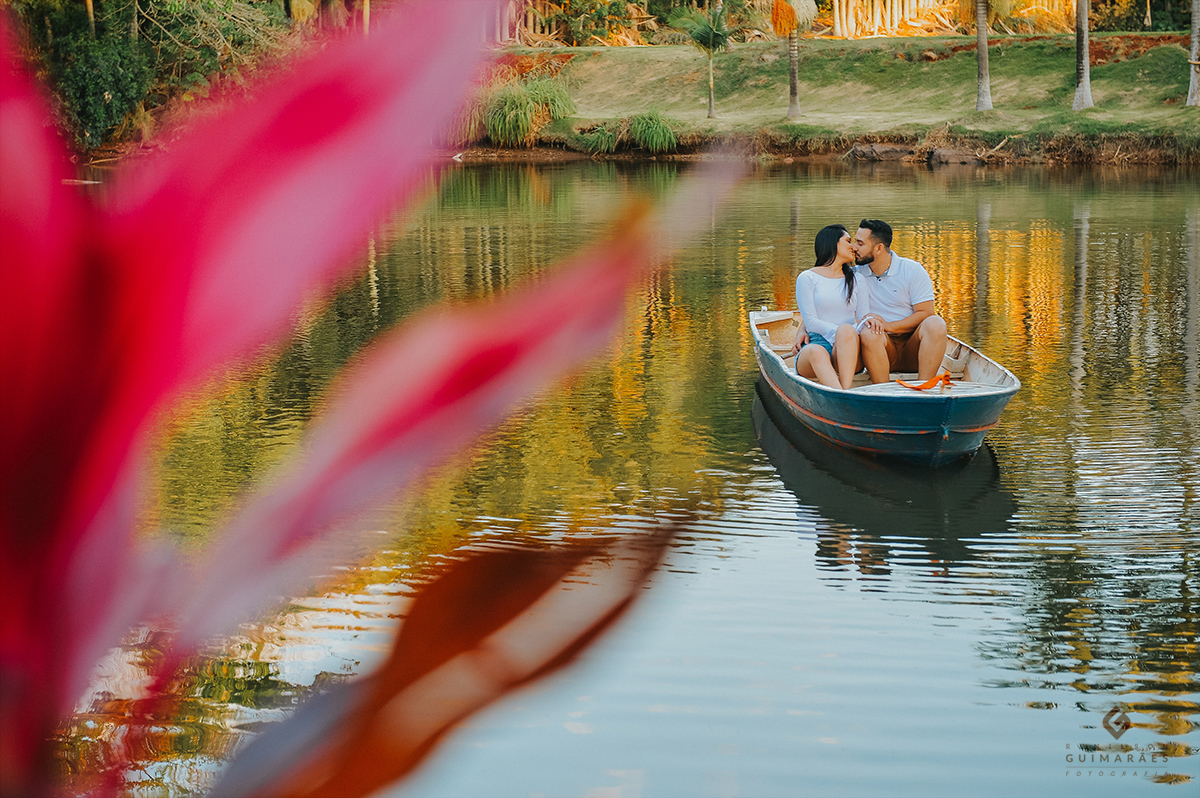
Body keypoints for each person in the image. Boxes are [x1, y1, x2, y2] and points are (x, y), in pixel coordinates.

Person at [852, 219, 948, 384]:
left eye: (860, 243)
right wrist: (804, 328)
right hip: (880, 348)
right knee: (870, 332)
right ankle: (882, 392)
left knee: (936, 323)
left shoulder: (912, 270)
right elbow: (827, 302)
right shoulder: (854, 275)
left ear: (879, 248)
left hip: (913, 347)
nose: (853, 247)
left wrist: (889, 325)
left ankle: (924, 390)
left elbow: (925, 312)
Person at [789, 225, 880, 389]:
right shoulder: (808, 278)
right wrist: (838, 333)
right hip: (816, 345)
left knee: (846, 330)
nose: (853, 247)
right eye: (848, 241)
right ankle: (842, 396)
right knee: (817, 351)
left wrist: (869, 321)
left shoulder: (857, 279)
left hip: (848, 347)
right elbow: (811, 322)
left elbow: (863, 316)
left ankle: (844, 390)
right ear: (832, 244)